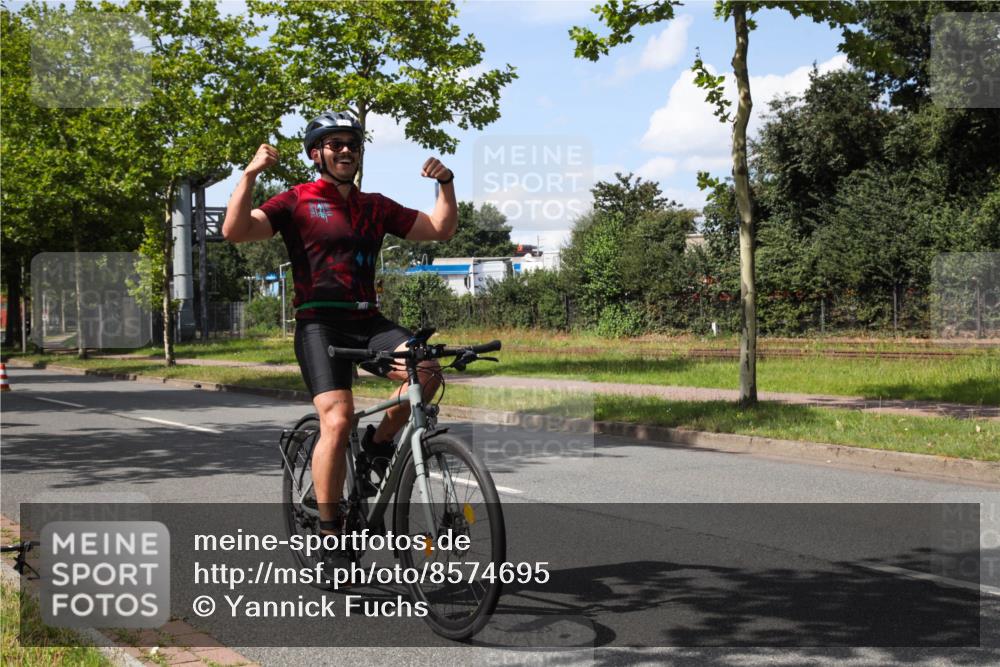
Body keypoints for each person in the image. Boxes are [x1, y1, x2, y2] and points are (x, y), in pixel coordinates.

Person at [223, 111, 457, 573]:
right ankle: (331, 532)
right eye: (334, 144)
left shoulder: (375, 206)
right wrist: (249, 176)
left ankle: (377, 447)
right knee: (338, 417)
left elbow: (440, 229)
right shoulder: (296, 201)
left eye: (352, 142)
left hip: (368, 321)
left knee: (427, 372)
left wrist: (446, 183)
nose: (345, 149)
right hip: (319, 325)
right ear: (317, 154)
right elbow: (235, 231)